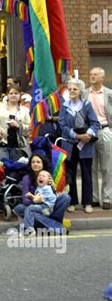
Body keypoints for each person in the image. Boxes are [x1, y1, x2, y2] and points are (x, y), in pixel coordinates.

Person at [58, 78, 100, 213]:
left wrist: (88, 134)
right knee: (70, 174)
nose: (71, 91)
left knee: (87, 173)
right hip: (69, 144)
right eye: (70, 89)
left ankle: (88, 203)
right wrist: (76, 136)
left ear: (80, 91)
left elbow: (95, 123)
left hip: (85, 144)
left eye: (74, 89)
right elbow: (62, 125)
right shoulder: (64, 106)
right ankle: (72, 201)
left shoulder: (87, 105)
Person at [8, 153, 70, 235]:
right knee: (21, 208)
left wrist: (52, 187)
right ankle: (56, 227)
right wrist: (36, 200)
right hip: (36, 209)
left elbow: (53, 198)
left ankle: (45, 225)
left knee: (65, 197)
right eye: (33, 162)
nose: (35, 164)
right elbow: (25, 201)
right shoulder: (27, 178)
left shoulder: (48, 176)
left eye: (38, 162)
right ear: (30, 165)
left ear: (43, 164)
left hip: (48, 208)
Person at [86, 67, 112, 209]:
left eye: (95, 75)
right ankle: (94, 198)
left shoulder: (109, 94)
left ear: (102, 77)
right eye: (91, 74)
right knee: (91, 166)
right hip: (88, 133)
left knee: (107, 167)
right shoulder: (84, 93)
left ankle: (107, 198)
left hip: (105, 130)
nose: (92, 76)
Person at [0, 86, 31, 161]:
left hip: (18, 147)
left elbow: (30, 129)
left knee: (17, 170)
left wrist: (18, 125)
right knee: (1, 170)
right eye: (11, 93)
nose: (13, 95)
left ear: (20, 95)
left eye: (16, 93)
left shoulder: (25, 110)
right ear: (7, 95)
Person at [17, 169, 57, 235]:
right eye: (39, 176)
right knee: (21, 208)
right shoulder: (39, 187)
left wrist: (31, 196)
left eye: (43, 176)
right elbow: (37, 199)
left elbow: (39, 199)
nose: (40, 177)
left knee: (30, 208)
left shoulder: (47, 188)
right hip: (42, 205)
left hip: (47, 208)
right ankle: (24, 226)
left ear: (48, 180)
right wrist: (32, 196)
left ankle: (29, 229)